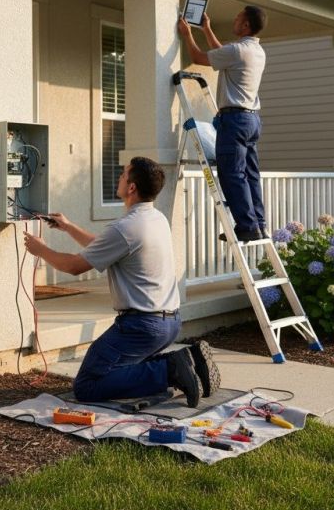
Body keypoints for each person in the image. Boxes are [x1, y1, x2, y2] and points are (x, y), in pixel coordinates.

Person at [23, 156, 220, 408]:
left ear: (132, 187)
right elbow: (105, 247)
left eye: (123, 174)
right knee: (121, 370)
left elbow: (73, 267)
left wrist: (41, 250)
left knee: (87, 385)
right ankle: (192, 362)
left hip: (141, 327)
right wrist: (69, 227)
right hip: (169, 322)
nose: (119, 177)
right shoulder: (155, 218)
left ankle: (169, 369)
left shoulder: (125, 227)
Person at [178, 5, 268, 242]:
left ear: (246, 25)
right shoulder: (255, 50)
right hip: (251, 119)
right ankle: (258, 223)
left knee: (232, 174)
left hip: (235, 120)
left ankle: (246, 226)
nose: (234, 20)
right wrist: (206, 29)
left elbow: (199, 57)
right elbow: (223, 54)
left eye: (238, 17)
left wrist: (187, 34)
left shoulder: (237, 50)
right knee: (250, 175)